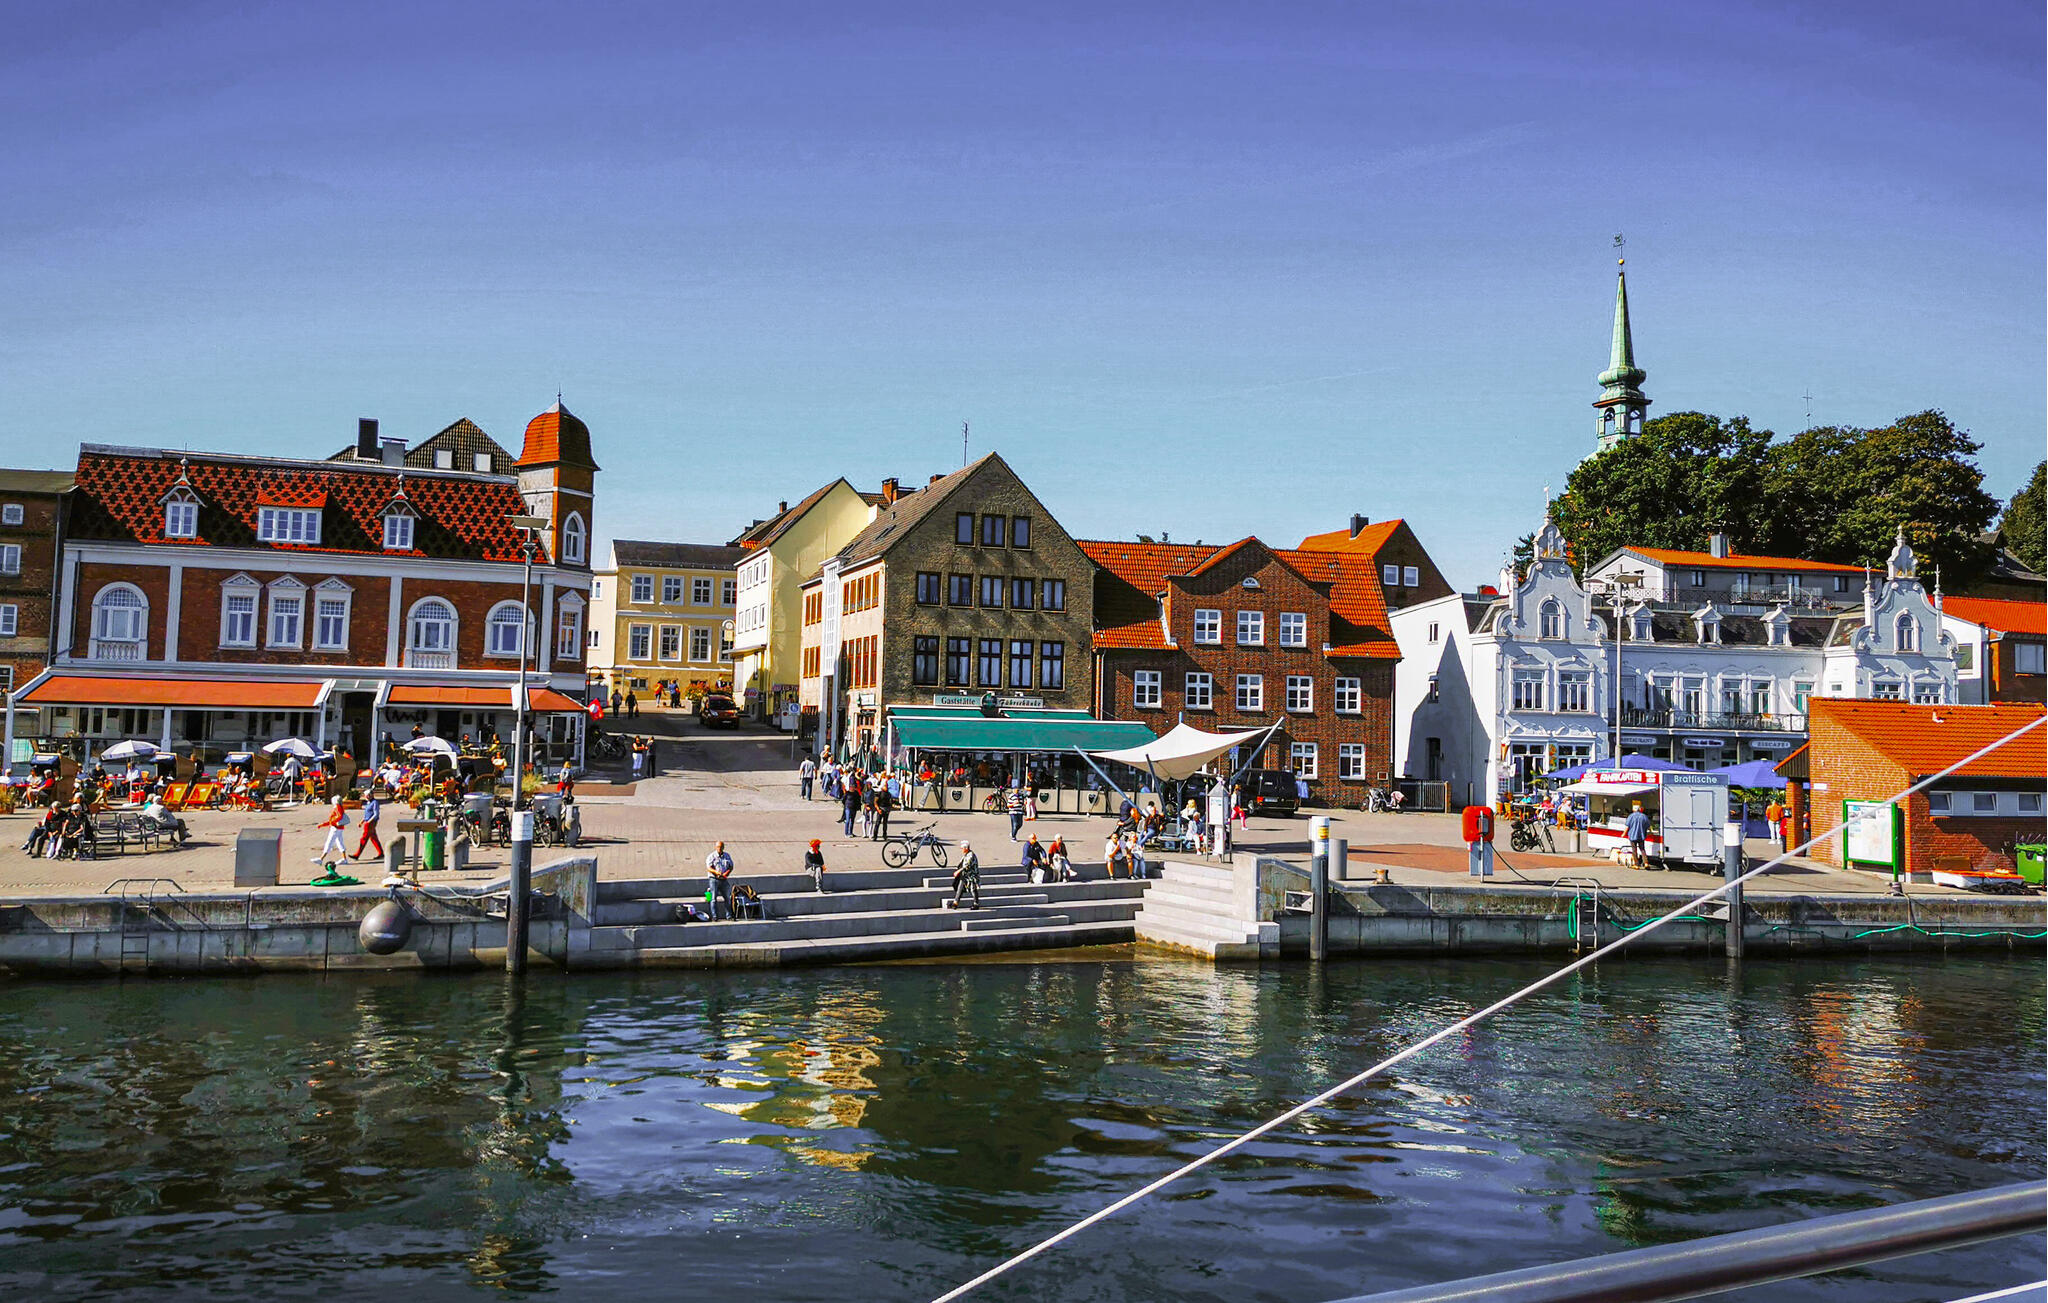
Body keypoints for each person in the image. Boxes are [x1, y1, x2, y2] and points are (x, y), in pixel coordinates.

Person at [312, 796, 350, 865]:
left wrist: (332, 822)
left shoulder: (337, 807)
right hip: (339, 828)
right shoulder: (339, 807)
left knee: (329, 842)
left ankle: (321, 859)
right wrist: (325, 824)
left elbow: (339, 816)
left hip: (335, 828)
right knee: (340, 843)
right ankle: (344, 859)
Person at [705, 840, 735, 920]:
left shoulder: (727, 856)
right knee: (713, 899)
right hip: (714, 879)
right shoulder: (711, 856)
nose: (720, 848)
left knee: (727, 898)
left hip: (724, 880)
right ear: (716, 847)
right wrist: (716, 872)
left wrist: (726, 874)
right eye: (718, 847)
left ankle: (729, 916)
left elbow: (731, 866)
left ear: (723, 847)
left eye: (721, 847)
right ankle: (714, 916)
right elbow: (709, 868)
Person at [351, 792, 383, 861]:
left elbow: (376, 814)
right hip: (367, 822)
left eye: (368, 795)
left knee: (364, 838)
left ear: (372, 795)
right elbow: (366, 815)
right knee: (373, 837)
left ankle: (357, 854)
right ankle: (381, 853)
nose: (366, 797)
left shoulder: (374, 802)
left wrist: (369, 822)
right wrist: (361, 822)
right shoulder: (368, 803)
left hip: (371, 823)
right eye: (366, 795)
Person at [950, 840, 981, 909]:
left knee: (973, 889)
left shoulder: (971, 855)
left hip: (971, 876)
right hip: (965, 875)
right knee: (960, 888)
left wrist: (958, 871)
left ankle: (976, 904)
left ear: (966, 848)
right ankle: (955, 903)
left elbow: (967, 866)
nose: (962, 850)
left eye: (962, 848)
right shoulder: (966, 854)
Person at [1624, 801, 1652, 869]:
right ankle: (1646, 863)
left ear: (1633, 810)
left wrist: (1624, 834)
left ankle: (1636, 864)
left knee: (1634, 850)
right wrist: (1649, 832)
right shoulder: (1644, 816)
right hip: (1641, 836)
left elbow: (1627, 827)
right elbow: (1648, 826)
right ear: (1640, 809)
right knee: (1642, 849)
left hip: (1632, 835)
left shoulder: (1631, 816)